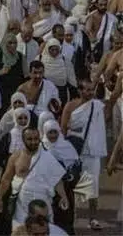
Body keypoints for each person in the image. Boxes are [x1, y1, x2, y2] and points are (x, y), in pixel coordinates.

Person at [0, 127, 69, 233]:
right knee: (21, 230)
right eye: (29, 139)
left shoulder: (47, 156)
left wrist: (63, 196)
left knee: (43, 230)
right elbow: (6, 180)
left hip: (43, 203)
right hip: (22, 204)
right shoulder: (15, 157)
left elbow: (56, 179)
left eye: (36, 139)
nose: (33, 142)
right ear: (23, 140)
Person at [59, 78, 107, 231]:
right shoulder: (71, 105)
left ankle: (92, 218)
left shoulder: (97, 106)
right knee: (73, 185)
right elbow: (63, 128)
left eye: (91, 90)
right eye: (85, 89)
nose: (88, 93)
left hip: (92, 152)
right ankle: (70, 216)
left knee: (92, 187)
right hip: (74, 152)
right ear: (79, 90)